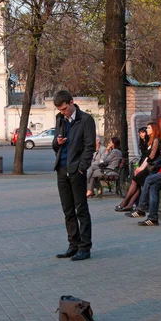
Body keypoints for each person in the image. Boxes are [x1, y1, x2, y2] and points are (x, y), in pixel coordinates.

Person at [53, 90, 96, 261]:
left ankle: (85, 248)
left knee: (81, 209)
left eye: (64, 109)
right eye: (60, 110)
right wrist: (57, 142)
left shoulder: (85, 120)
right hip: (62, 169)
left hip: (76, 171)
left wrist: (81, 168)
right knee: (68, 210)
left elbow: (89, 146)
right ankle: (73, 245)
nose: (62, 112)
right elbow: (55, 145)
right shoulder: (60, 119)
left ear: (71, 102)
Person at [115, 122, 161, 212]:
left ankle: (126, 202)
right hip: (148, 167)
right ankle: (129, 204)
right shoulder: (151, 140)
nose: (147, 130)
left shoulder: (156, 140)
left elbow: (151, 157)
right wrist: (140, 167)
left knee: (135, 181)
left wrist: (141, 168)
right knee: (137, 183)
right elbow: (147, 156)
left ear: (154, 129)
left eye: (148, 128)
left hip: (153, 168)